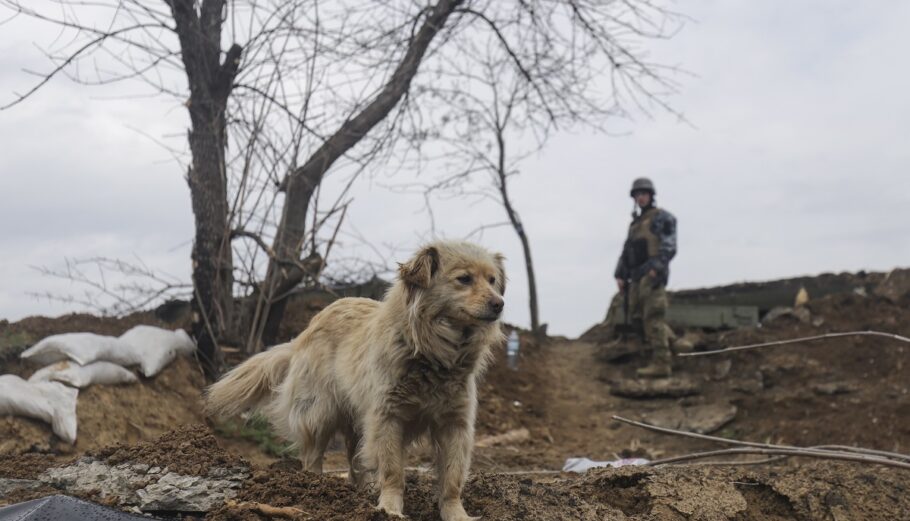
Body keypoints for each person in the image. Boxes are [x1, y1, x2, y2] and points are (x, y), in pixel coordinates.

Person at [612, 177, 677, 377]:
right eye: (637, 195)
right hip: (636, 277)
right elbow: (627, 251)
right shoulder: (636, 224)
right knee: (638, 319)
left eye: (644, 194)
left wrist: (657, 267)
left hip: (651, 275)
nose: (641, 198)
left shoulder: (662, 217)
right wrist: (620, 274)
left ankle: (662, 363)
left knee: (653, 317)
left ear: (651, 195)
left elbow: (669, 245)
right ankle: (675, 345)